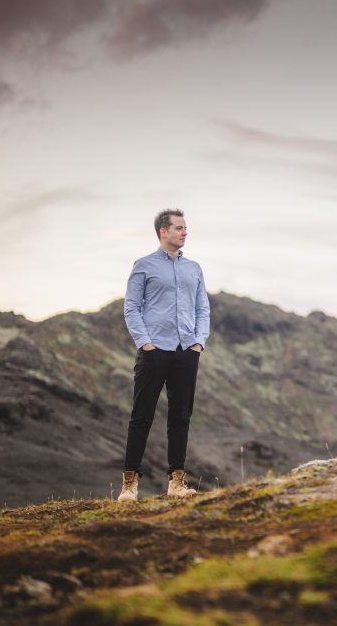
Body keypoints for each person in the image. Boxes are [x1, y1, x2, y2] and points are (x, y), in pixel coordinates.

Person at [117, 208, 210, 502]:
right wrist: (145, 343)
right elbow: (131, 307)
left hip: (186, 351)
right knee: (141, 416)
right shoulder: (143, 265)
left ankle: (177, 483)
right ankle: (129, 486)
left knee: (180, 417)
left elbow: (202, 309)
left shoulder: (194, 268)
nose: (185, 232)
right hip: (154, 351)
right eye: (179, 228)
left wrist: (199, 342)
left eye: (185, 228)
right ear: (163, 232)